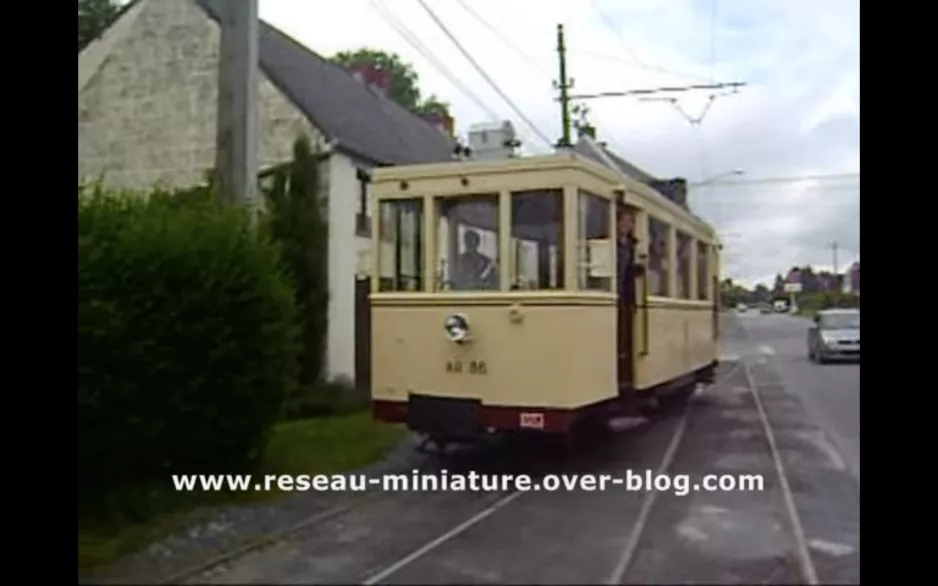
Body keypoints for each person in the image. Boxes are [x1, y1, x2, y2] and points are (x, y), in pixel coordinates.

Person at [616, 207, 637, 301]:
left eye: (630, 221)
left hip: (627, 295)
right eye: (623, 220)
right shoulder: (609, 241)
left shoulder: (634, 244)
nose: (626, 224)